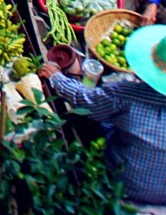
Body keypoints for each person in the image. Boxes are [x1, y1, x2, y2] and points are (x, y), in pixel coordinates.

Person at [40, 24, 166, 204]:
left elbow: (84, 99)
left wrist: (56, 78)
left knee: (92, 115)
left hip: (124, 183)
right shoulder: (126, 96)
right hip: (163, 197)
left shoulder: (126, 95)